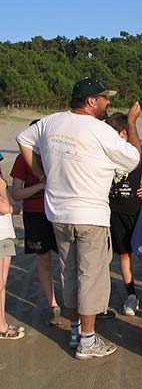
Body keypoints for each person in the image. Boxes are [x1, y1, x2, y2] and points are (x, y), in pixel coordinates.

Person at [16, 77, 141, 360]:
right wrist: (132, 123)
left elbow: (23, 139)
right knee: (91, 276)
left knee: (69, 272)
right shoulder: (100, 130)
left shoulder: (50, 122)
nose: (108, 102)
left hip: (58, 213)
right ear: (91, 101)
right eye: (104, 97)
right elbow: (133, 158)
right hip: (90, 215)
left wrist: (41, 173)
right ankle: (87, 339)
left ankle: (75, 330)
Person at [106, 112, 142, 316]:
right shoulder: (107, 152)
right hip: (115, 212)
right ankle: (131, 295)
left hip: (137, 212)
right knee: (124, 256)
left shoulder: (138, 152)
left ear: (124, 133)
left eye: (112, 133)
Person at [11, 119, 60, 326]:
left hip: (59, 212)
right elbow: (16, 193)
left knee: (69, 258)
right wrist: (40, 187)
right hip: (35, 214)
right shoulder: (23, 159)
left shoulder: (56, 153)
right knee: (44, 259)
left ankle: (75, 300)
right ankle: (53, 305)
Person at [0, 177, 24, 339]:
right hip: (1, 236)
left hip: (6, 234)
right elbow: (5, 207)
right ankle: (1, 326)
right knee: (0, 283)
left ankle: (2, 323)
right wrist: (2, 189)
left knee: (3, 283)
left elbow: (13, 207)